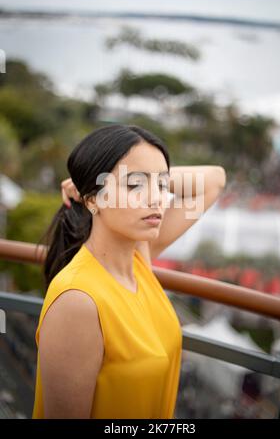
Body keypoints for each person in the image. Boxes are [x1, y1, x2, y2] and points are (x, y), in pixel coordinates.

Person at [32, 123, 226, 419]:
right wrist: (91, 181)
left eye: (162, 186)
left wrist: (136, 176)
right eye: (135, 185)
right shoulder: (79, 301)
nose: (157, 199)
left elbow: (215, 180)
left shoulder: (139, 257)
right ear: (94, 199)